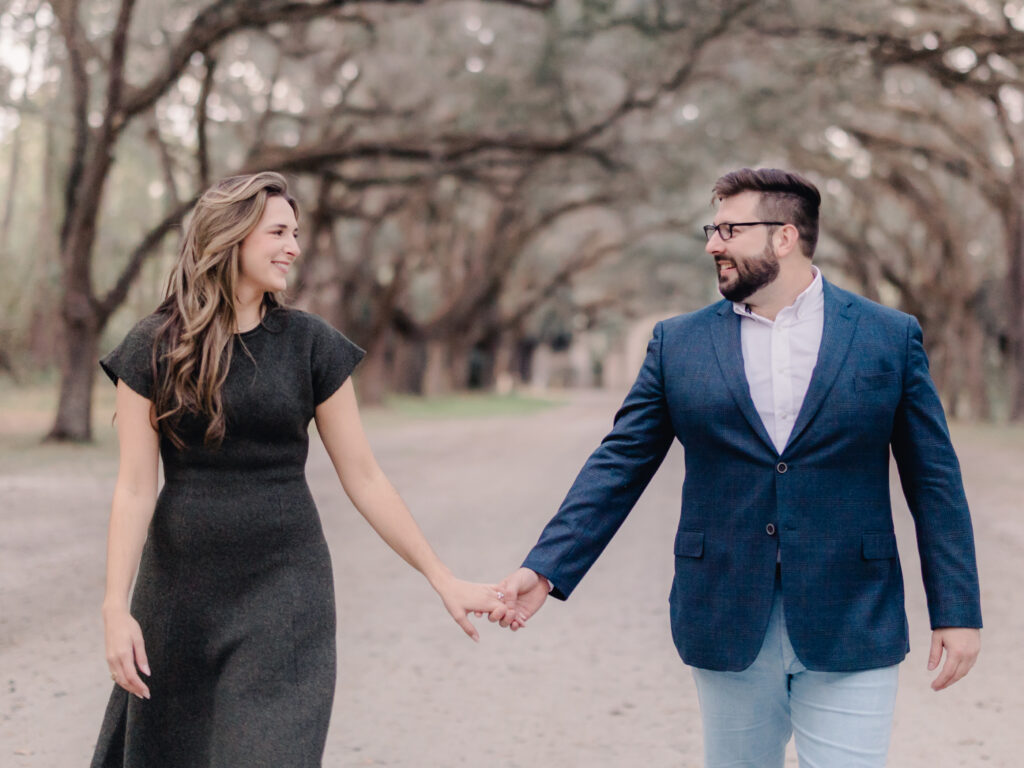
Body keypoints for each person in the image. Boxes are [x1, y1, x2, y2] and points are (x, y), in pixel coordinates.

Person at [495, 168, 982, 767]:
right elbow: (619, 463)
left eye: (729, 229)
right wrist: (545, 568)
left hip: (853, 612)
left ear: (785, 236)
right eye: (712, 228)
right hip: (725, 611)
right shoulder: (679, 343)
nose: (712, 244)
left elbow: (934, 481)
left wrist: (956, 610)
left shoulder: (888, 336)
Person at [91, 172, 506, 767]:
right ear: (230, 238)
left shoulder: (312, 346)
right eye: (279, 232)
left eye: (296, 232)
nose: (294, 246)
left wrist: (441, 576)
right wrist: (115, 607)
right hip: (177, 598)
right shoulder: (152, 346)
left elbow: (364, 477)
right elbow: (134, 488)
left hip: (285, 592)